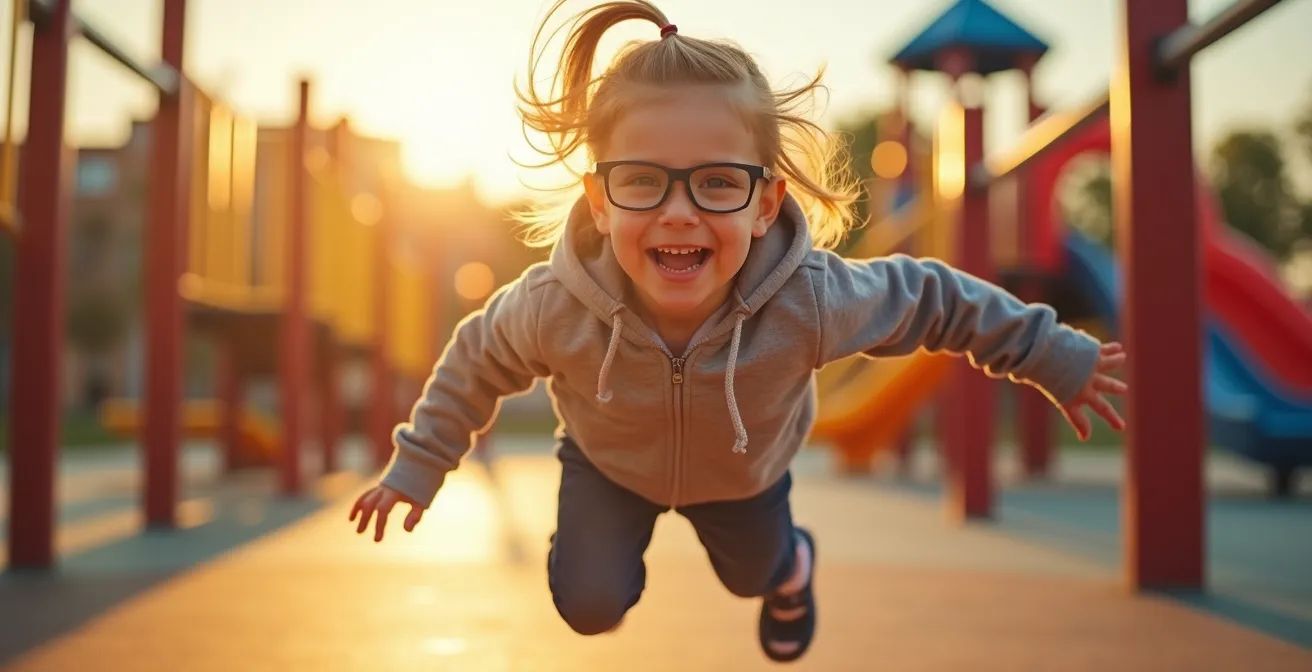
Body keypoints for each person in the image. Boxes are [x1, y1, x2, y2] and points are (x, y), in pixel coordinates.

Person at [349, 0, 1128, 663]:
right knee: (588, 606)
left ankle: (794, 568)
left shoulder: (812, 301)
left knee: (754, 576)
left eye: (718, 182)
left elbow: (934, 299)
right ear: (598, 201)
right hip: (609, 468)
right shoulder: (556, 302)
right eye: (642, 181)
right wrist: (419, 464)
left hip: (746, 479)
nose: (679, 211)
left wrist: (1047, 353)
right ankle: (614, 564)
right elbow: (478, 356)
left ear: (764, 203)